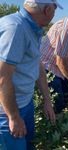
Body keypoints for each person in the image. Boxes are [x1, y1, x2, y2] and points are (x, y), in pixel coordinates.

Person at [0, 0, 61, 149]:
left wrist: (47, 100)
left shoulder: (33, 28)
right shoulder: (16, 29)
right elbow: (2, 78)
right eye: (55, 9)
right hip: (7, 112)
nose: (54, 14)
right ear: (47, 10)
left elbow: (37, 64)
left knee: (29, 145)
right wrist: (14, 117)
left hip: (24, 103)